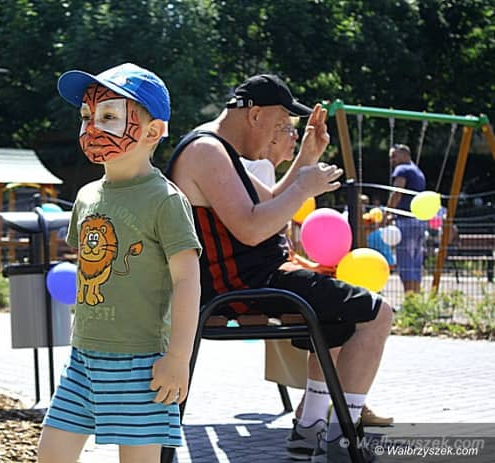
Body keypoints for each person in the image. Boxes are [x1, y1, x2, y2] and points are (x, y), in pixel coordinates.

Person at [166, 73, 393, 462]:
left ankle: (310, 430)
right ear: (255, 115)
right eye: (281, 124)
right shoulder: (207, 151)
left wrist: (307, 156)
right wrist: (305, 186)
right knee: (378, 314)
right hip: (245, 285)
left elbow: (270, 200)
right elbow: (253, 229)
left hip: (251, 279)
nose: (281, 134)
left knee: (338, 318)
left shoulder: (215, 148)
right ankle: (343, 440)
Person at [37, 63, 202, 463]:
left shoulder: (165, 200)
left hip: (141, 364)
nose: (92, 127)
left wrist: (178, 358)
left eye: (109, 116)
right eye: (86, 116)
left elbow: (187, 281)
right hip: (83, 359)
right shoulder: (86, 196)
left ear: (152, 131)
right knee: (50, 455)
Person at [242, 114, 394, 429]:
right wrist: (303, 180)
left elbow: (270, 243)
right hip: (257, 286)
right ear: (268, 132)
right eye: (288, 129)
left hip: (256, 280)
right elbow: (262, 235)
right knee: (373, 312)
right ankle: (341, 426)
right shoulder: (253, 168)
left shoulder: (244, 166)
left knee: (336, 309)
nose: (294, 136)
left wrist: (310, 266)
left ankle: (315, 419)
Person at [387, 143, 426, 294]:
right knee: (416, 261)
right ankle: (415, 297)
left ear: (405, 154)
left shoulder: (402, 169)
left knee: (405, 262)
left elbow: (397, 192)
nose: (392, 161)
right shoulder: (418, 171)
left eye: (394, 156)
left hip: (405, 220)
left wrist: (388, 212)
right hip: (419, 221)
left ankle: (409, 298)